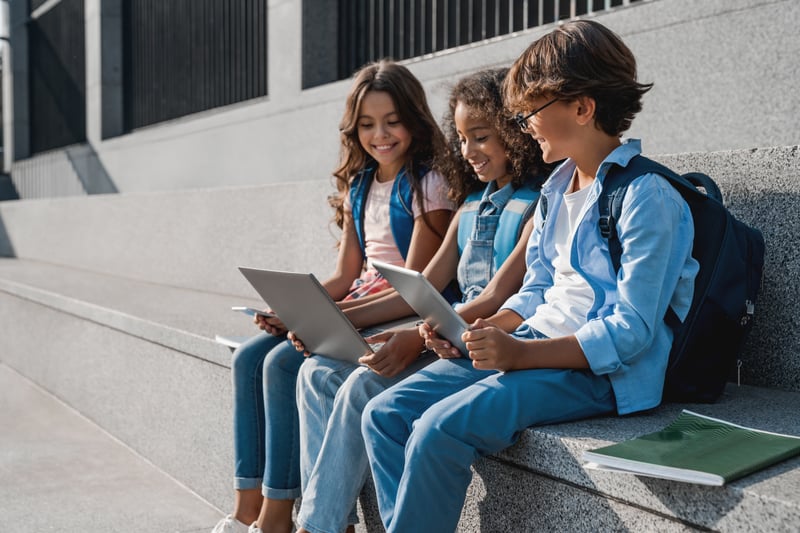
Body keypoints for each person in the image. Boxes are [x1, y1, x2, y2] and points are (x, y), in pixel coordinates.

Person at [361, 20, 700, 533]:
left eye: (530, 113)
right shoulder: (555, 190)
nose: (524, 127)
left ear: (583, 107)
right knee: (384, 416)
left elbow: (632, 331)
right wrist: (485, 330)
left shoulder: (646, 196)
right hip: (534, 343)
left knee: (437, 430)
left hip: (600, 375)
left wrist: (521, 354)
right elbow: (537, 291)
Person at [293, 68, 553, 533]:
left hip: (486, 342)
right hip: (445, 337)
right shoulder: (471, 205)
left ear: (516, 133)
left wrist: (415, 335)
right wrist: (332, 317)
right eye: (462, 139)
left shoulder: (537, 204)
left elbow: (499, 296)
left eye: (481, 137)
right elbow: (424, 289)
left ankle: (318, 526)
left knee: (364, 390)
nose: (468, 151)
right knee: (321, 373)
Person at [212, 59, 454, 533]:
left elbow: (415, 287)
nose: (379, 134)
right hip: (357, 308)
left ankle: (281, 515)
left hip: (390, 318)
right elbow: (345, 273)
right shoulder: (361, 186)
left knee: (284, 364)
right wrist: (295, 308)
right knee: (249, 357)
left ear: (414, 119)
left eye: (391, 121)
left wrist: (329, 316)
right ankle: (247, 506)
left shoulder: (430, 185)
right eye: (367, 125)